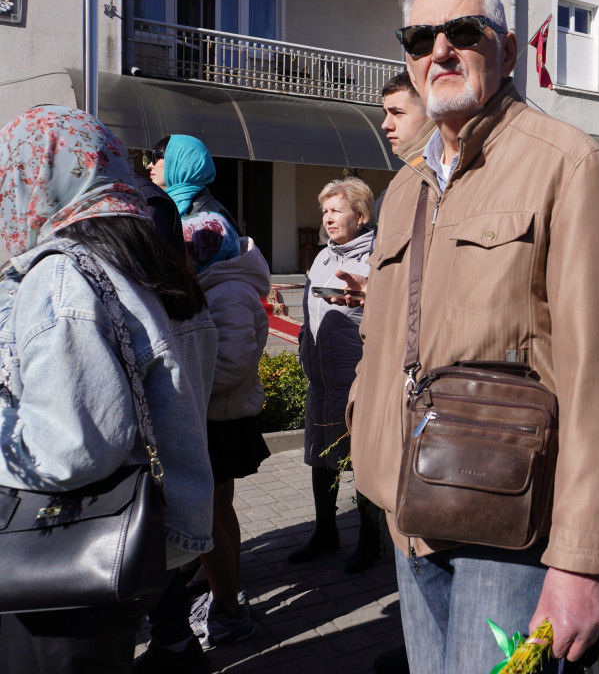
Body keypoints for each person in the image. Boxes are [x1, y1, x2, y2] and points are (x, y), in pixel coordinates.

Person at [346, 0, 599, 672]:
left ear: (507, 51)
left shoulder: (570, 166)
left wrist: (582, 561)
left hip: (510, 520)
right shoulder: (404, 188)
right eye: (420, 38)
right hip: (409, 509)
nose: (440, 50)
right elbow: (381, 343)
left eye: (463, 32)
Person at [0, 106, 216, 673]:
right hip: (138, 536)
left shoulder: (61, 275)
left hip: (58, 547)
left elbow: (70, 450)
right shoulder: (150, 254)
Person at [178, 212, 271, 652]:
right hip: (219, 416)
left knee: (209, 517)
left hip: (220, 418)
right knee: (219, 510)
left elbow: (233, 363)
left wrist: (185, 384)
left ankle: (228, 608)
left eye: (188, 250)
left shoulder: (228, 290)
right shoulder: (220, 284)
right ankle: (226, 594)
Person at [291, 178, 382, 574]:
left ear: (360, 216)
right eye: (325, 211)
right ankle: (325, 532)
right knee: (321, 456)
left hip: (357, 379)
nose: (328, 218)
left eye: (336, 210)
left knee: (361, 461)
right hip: (322, 378)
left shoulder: (379, 256)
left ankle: (370, 540)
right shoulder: (322, 257)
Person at [148, 135, 237, 227]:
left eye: (156, 157)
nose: (149, 165)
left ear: (182, 161)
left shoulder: (212, 218)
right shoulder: (164, 206)